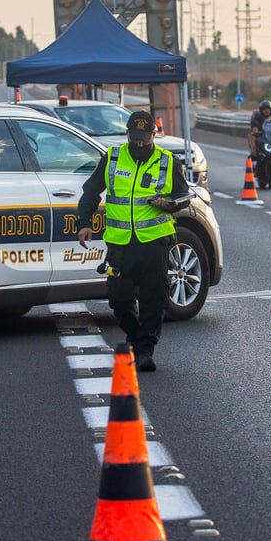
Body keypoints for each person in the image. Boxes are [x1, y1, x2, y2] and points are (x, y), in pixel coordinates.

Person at [77, 110, 192, 372]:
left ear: (154, 135)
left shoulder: (167, 161)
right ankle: (135, 335)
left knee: (155, 298)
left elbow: (184, 195)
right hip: (119, 243)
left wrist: (169, 204)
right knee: (118, 297)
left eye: (145, 138)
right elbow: (91, 190)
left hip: (155, 241)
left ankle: (145, 350)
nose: (139, 143)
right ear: (128, 134)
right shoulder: (113, 157)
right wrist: (84, 222)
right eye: (135, 138)